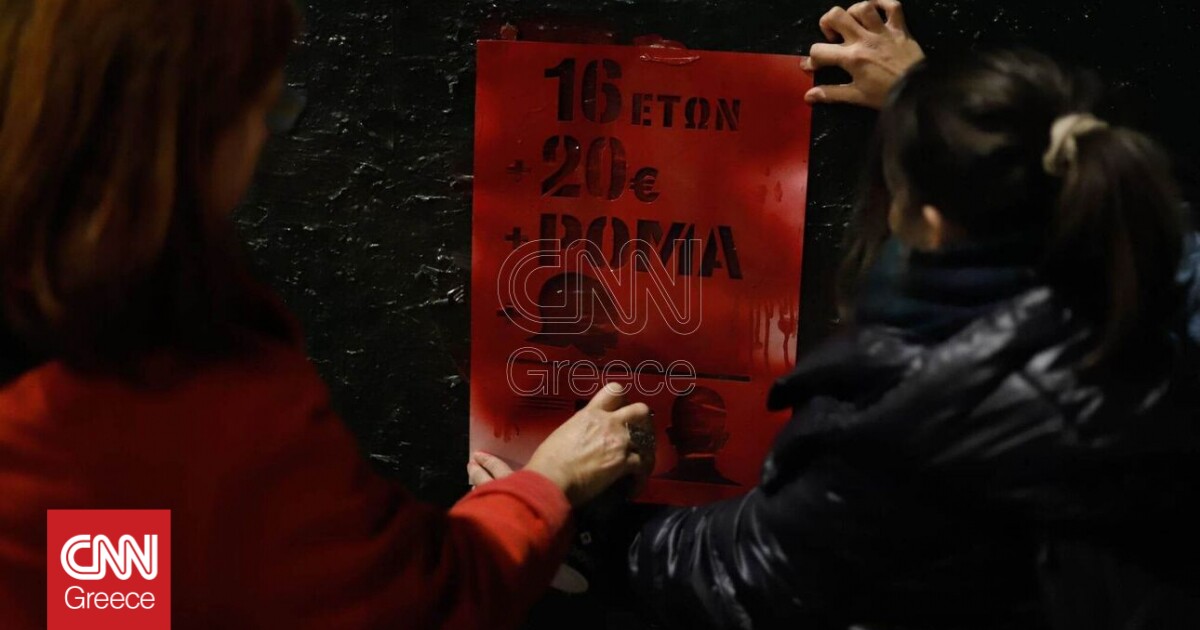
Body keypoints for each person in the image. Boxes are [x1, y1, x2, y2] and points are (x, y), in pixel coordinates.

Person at [0, 1, 652, 628]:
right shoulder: (187, 408)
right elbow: (414, 607)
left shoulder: (75, 374)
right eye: (265, 108)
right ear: (191, 130)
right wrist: (550, 483)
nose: (262, 138)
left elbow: (113, 596)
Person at [620, 2, 1200, 629]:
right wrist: (932, 111)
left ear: (929, 223)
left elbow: (750, 571)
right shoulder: (1159, 297)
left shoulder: (913, 415)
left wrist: (583, 511)